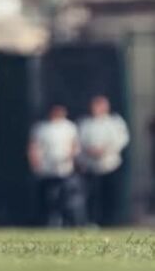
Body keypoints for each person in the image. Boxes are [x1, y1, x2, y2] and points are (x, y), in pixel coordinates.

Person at [27, 104, 85, 227]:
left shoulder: (69, 127)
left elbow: (74, 145)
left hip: (64, 169)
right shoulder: (41, 128)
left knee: (67, 198)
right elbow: (33, 146)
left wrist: (70, 159)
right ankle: (48, 222)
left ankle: (68, 222)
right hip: (46, 169)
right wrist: (35, 161)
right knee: (48, 198)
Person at [78, 95, 129, 226]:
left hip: (110, 164)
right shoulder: (86, 123)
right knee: (94, 196)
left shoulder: (114, 122)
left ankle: (112, 221)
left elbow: (121, 140)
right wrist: (90, 151)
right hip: (92, 166)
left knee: (111, 195)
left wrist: (104, 150)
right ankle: (94, 221)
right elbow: (80, 142)